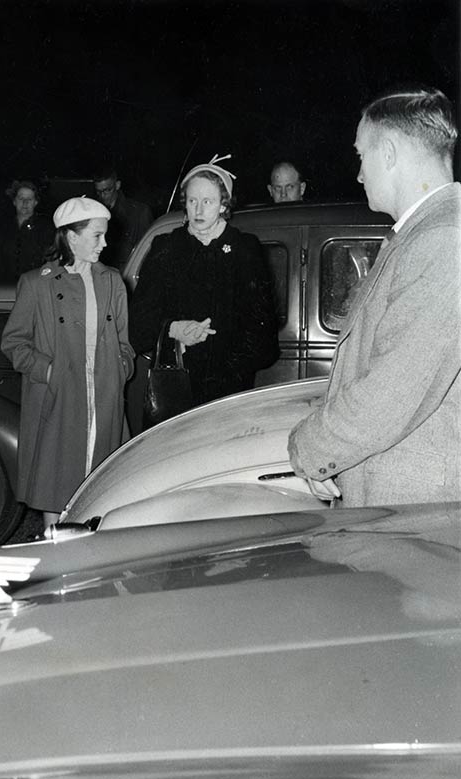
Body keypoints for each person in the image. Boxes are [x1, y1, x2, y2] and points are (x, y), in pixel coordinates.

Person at [288, 86, 460, 507]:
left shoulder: (444, 239)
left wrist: (310, 449)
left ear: (388, 153)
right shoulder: (423, 232)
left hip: (415, 506)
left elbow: (394, 387)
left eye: (361, 156)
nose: (359, 174)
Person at [1, 197, 134, 532]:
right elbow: (13, 343)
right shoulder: (37, 283)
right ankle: (54, 547)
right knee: (55, 486)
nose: (105, 244)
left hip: (103, 397)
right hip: (58, 401)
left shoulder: (112, 281)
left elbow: (124, 342)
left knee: (102, 487)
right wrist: (48, 372)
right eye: (96, 236)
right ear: (72, 238)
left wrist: (121, 368)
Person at [129, 155, 279, 410]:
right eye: (192, 201)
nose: (198, 211)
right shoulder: (165, 248)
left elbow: (262, 334)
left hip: (229, 391)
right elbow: (138, 325)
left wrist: (228, 363)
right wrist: (173, 330)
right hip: (176, 387)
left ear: (223, 205)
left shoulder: (246, 249)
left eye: (207, 201)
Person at [0, 180, 53, 281]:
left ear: (36, 202)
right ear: (14, 201)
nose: (25, 202)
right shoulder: (3, 228)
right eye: (21, 198)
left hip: (35, 286)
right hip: (6, 287)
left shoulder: (46, 228)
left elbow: (49, 262)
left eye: (29, 199)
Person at [93, 166, 153, 272]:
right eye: (99, 192)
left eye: (107, 190)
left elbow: (146, 252)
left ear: (117, 185)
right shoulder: (93, 213)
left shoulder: (139, 212)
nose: (103, 196)